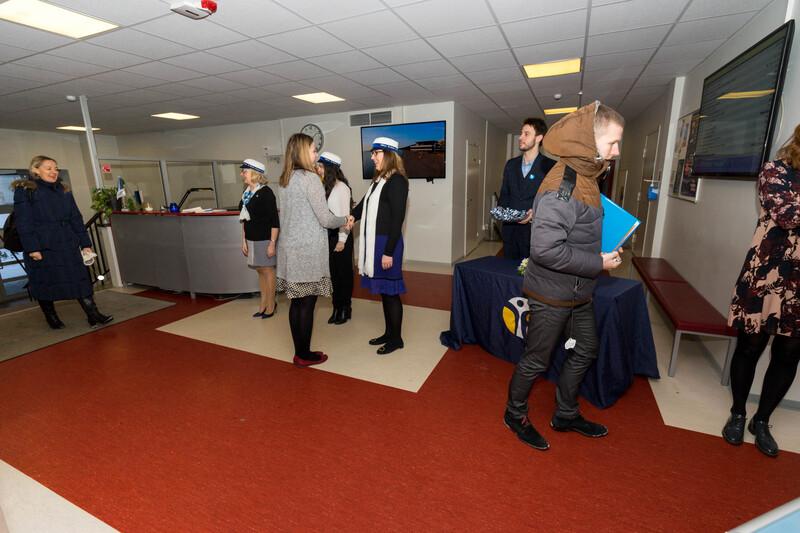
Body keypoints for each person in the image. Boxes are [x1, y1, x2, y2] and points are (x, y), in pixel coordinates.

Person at [503, 102, 625, 451]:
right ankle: (514, 413)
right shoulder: (562, 185)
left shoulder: (587, 177)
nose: (617, 151)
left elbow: (579, 231)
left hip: (578, 290)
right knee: (536, 360)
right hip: (552, 293)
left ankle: (566, 414)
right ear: (589, 142)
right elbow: (545, 251)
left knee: (586, 349)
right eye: (612, 143)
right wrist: (598, 262)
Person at [722, 124, 800, 458]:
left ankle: (762, 420)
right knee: (750, 345)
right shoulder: (775, 170)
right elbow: (787, 216)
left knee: (789, 353)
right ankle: (738, 413)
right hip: (767, 273)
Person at [12, 155, 113, 329]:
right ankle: (51, 317)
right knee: (45, 282)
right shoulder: (25, 191)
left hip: (68, 243)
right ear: (35, 170)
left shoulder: (64, 189)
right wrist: (32, 248)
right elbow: (24, 222)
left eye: (56, 169)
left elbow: (75, 218)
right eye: (49, 168)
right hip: (43, 246)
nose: (54, 172)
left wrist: (85, 244)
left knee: (80, 279)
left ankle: (93, 314)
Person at [276, 134, 349, 367]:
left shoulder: (285, 179)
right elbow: (325, 219)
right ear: (301, 151)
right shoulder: (310, 179)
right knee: (307, 304)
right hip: (307, 250)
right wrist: (345, 219)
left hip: (289, 249)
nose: (316, 153)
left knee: (296, 303)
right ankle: (305, 355)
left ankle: (299, 351)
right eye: (313, 149)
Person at [350, 137, 408, 355]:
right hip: (376, 243)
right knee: (384, 292)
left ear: (388, 155)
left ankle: (396, 339)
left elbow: (397, 219)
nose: (372, 157)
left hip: (387, 244)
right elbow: (363, 205)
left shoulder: (397, 181)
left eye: (376, 153)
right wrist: (351, 216)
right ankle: (389, 333)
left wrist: (388, 252)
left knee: (391, 293)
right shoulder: (379, 180)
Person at [498, 117, 555, 260]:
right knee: (507, 270)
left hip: (535, 233)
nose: (520, 137)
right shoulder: (511, 165)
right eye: (521, 133)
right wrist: (501, 213)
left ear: (539, 138)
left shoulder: (551, 167)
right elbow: (505, 194)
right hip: (510, 232)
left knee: (530, 272)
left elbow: (554, 200)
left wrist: (535, 212)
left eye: (526, 134)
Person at [238, 158, 279, 318]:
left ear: (255, 174)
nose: (242, 174)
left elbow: (274, 221)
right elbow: (244, 219)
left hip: (265, 239)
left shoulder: (266, 193)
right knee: (260, 271)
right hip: (251, 239)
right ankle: (263, 303)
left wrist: (272, 243)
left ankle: (271, 304)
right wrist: (243, 240)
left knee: (268, 270)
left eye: (245, 171)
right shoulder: (247, 193)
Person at [320, 152, 354, 325]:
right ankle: (336, 307)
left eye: (321, 166)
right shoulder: (326, 187)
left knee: (343, 275)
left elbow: (344, 216)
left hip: (341, 237)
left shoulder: (341, 188)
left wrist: (342, 240)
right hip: (328, 236)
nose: (318, 169)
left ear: (329, 168)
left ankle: (345, 308)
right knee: (333, 275)